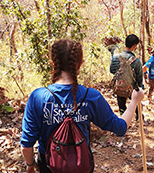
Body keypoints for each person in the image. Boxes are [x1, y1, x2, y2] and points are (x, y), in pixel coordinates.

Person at [20, 39, 144, 173]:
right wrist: (134, 102)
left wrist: (30, 165)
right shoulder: (91, 96)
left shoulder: (37, 97)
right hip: (81, 164)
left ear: (52, 64)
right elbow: (120, 128)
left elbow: (26, 145)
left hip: (49, 166)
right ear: (80, 65)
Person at [109, 34, 144, 121]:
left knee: (121, 105)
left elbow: (112, 70)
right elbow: (139, 77)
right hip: (132, 88)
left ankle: (124, 121)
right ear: (134, 46)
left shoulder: (116, 57)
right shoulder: (136, 61)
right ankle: (139, 118)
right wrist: (140, 88)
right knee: (135, 103)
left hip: (119, 87)